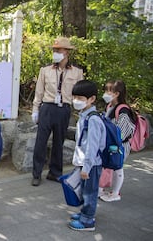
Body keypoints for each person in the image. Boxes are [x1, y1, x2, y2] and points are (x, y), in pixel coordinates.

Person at [31, 37, 84, 186]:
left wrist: (80, 110)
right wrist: (35, 109)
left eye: (59, 50)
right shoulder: (45, 70)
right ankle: (36, 174)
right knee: (40, 142)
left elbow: (79, 93)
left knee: (58, 142)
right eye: (54, 50)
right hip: (47, 108)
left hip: (64, 109)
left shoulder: (77, 72)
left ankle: (55, 173)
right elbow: (39, 92)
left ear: (66, 52)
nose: (56, 52)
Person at [68, 79, 106, 231]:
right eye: (75, 97)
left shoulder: (94, 119)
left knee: (90, 192)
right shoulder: (84, 115)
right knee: (85, 191)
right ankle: (85, 213)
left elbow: (93, 146)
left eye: (80, 98)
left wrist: (86, 167)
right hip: (85, 162)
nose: (76, 101)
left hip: (91, 164)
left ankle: (88, 221)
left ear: (92, 99)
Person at [99, 80, 136, 202]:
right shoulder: (110, 106)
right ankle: (102, 189)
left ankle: (115, 193)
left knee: (117, 167)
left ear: (117, 93)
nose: (106, 93)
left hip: (120, 145)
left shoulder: (123, 110)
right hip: (110, 143)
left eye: (109, 91)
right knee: (108, 166)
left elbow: (122, 132)